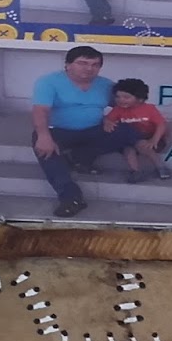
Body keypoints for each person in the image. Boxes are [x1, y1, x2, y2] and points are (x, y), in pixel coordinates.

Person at [31, 46, 142, 217]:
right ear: (68, 65)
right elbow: (41, 110)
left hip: (93, 130)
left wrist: (109, 118)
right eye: (82, 63)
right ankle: (71, 198)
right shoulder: (48, 82)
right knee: (43, 147)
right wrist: (44, 136)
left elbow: (127, 106)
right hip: (59, 132)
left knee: (128, 131)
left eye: (95, 64)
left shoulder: (106, 85)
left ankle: (78, 158)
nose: (89, 68)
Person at [104, 78, 172, 183]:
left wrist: (154, 140)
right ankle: (135, 171)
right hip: (130, 138)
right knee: (128, 149)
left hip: (151, 137)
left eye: (126, 97)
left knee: (142, 145)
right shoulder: (118, 109)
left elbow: (161, 124)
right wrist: (107, 122)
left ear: (140, 99)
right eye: (118, 97)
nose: (120, 100)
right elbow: (108, 119)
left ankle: (160, 167)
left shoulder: (149, 109)